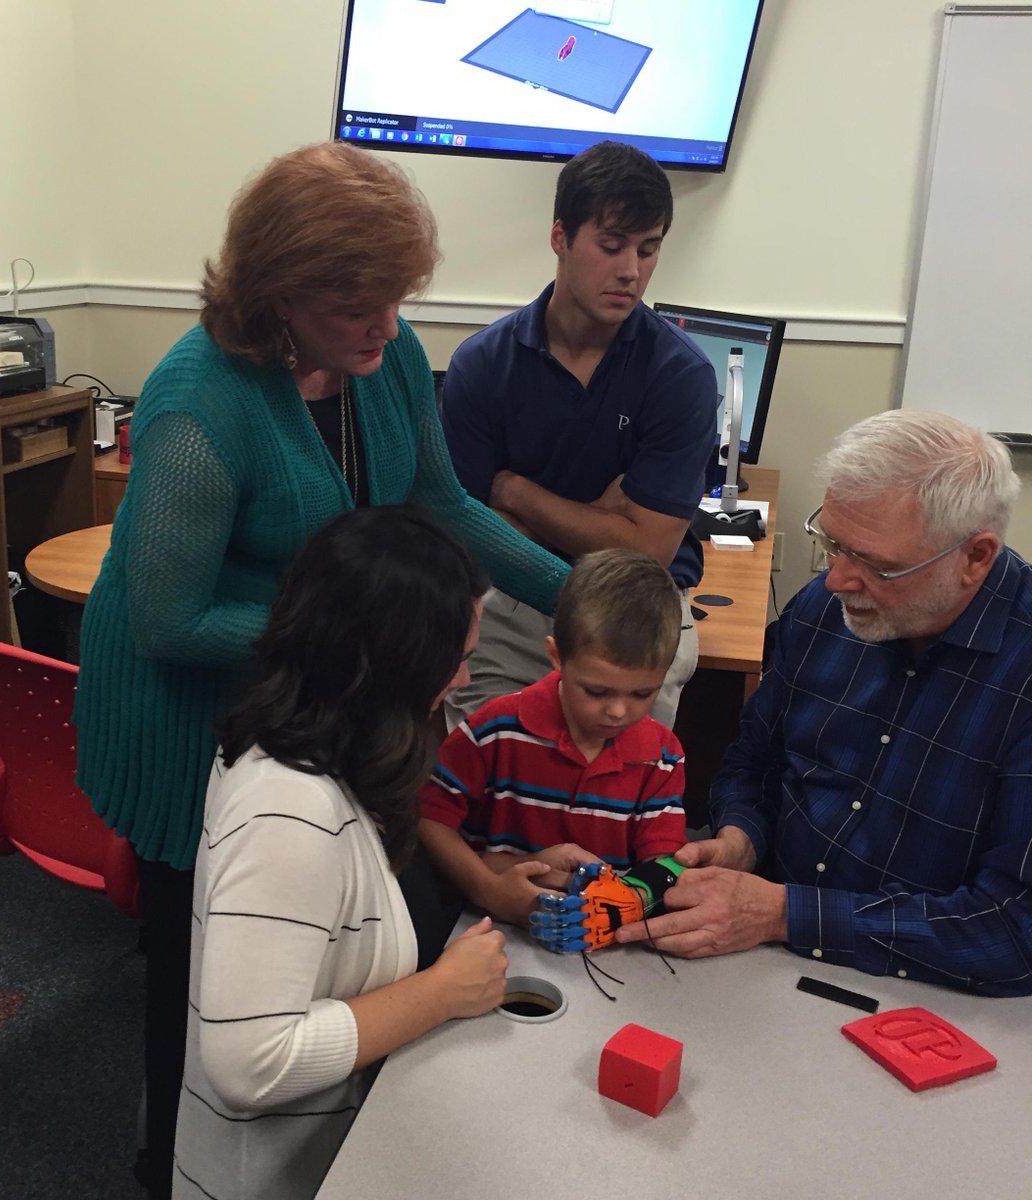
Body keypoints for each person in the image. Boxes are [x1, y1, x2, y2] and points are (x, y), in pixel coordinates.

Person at [71, 142, 566, 1198]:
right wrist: (363, 637)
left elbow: (441, 504)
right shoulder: (197, 406)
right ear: (281, 296)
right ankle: (171, 1170)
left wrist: (578, 592)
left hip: (314, 689)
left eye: (398, 301)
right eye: (364, 308)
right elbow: (170, 617)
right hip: (183, 717)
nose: (392, 329)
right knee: (199, 997)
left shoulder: (376, 358)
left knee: (326, 940)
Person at [617, 410, 1032, 998]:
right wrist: (742, 837)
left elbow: (1016, 932)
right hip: (759, 960)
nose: (835, 579)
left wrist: (785, 914)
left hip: (925, 993)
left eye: (875, 563)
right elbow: (754, 760)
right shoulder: (822, 612)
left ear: (975, 557)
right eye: (832, 543)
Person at [172, 506, 508, 1200]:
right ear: (396, 662)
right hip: (289, 1175)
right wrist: (442, 992)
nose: (466, 679)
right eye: (459, 658)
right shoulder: (288, 809)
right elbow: (248, 1062)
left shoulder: (334, 744)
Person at [440, 140, 718, 731]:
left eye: (649, 250)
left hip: (637, 608)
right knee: (490, 788)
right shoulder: (483, 365)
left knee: (612, 802)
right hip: (510, 596)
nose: (631, 271)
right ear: (560, 237)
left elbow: (646, 551)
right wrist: (604, 520)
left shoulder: (681, 375)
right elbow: (467, 530)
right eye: (611, 246)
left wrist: (515, 492)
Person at [419, 548, 687, 927]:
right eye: (596, 692)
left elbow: (665, 865)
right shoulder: (493, 730)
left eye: (642, 694)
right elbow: (429, 818)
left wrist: (622, 903)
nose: (617, 712)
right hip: (488, 929)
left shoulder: (662, 757)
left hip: (604, 942)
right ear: (556, 656)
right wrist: (488, 888)